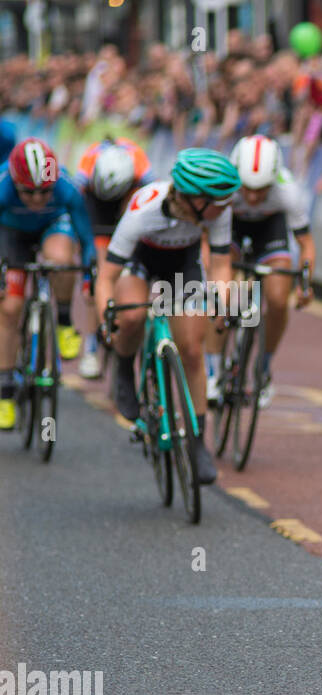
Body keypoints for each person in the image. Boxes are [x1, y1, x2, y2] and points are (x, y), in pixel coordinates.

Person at [97, 149, 240, 484]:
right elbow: (106, 276)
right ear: (193, 200)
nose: (226, 206)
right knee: (132, 317)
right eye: (219, 201)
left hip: (182, 264)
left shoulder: (218, 210)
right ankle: (123, 367)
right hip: (140, 261)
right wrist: (107, 316)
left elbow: (221, 267)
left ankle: (197, 442)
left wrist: (221, 304)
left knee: (191, 349)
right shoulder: (142, 211)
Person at [208, 135, 315, 412]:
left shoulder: (289, 191)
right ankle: (213, 369)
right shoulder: (221, 186)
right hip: (231, 229)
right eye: (248, 188)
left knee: (278, 299)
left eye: (262, 189)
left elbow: (306, 244)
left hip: (270, 231)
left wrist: (305, 285)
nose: (254, 197)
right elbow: (206, 239)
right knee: (221, 295)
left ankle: (263, 367)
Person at [0, 139, 97, 432]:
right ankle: (5, 391)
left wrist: (89, 275)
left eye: (45, 191)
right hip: (10, 233)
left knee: (61, 260)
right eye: (29, 192)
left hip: (52, 227)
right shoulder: (3, 186)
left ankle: (64, 322)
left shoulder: (66, 187)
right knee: (9, 308)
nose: (38, 199)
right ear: (15, 183)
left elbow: (87, 240)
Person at [72, 137, 155, 378]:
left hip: (129, 204)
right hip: (97, 208)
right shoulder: (88, 164)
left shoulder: (140, 164)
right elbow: (77, 206)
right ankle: (90, 347)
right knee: (98, 273)